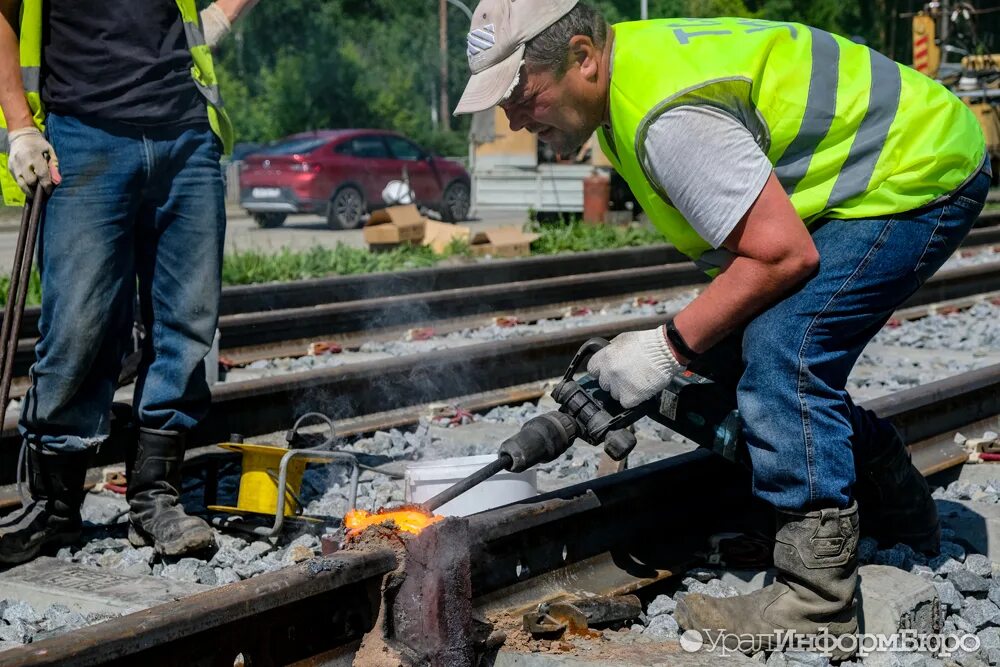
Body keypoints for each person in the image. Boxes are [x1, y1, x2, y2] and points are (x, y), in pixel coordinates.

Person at [455, 0, 988, 656]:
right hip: (871, 179)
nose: (510, 117)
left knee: (782, 351)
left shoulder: (664, 118)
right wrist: (678, 356)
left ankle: (817, 598)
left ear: (583, 58)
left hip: (918, 170)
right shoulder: (625, 96)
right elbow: (756, 251)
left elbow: (783, 254)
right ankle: (900, 509)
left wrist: (666, 344)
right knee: (720, 364)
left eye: (519, 93)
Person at [0, 0, 257, 563]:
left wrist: (222, 15)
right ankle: (55, 507)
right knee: (77, 327)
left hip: (186, 131)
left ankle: (155, 499)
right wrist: (19, 126)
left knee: (187, 326)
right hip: (80, 132)